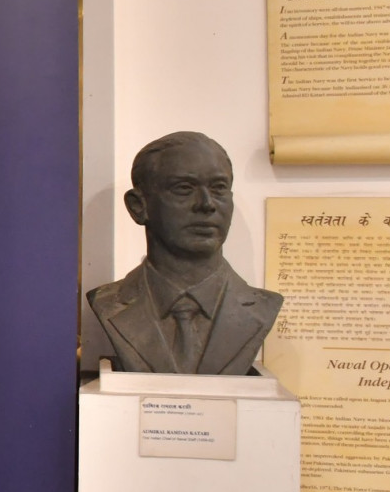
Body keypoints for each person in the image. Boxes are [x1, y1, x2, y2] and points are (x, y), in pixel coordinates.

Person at [88, 132, 282, 375]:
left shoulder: (262, 307)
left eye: (219, 188)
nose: (207, 204)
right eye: (183, 188)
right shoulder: (109, 303)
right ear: (139, 206)